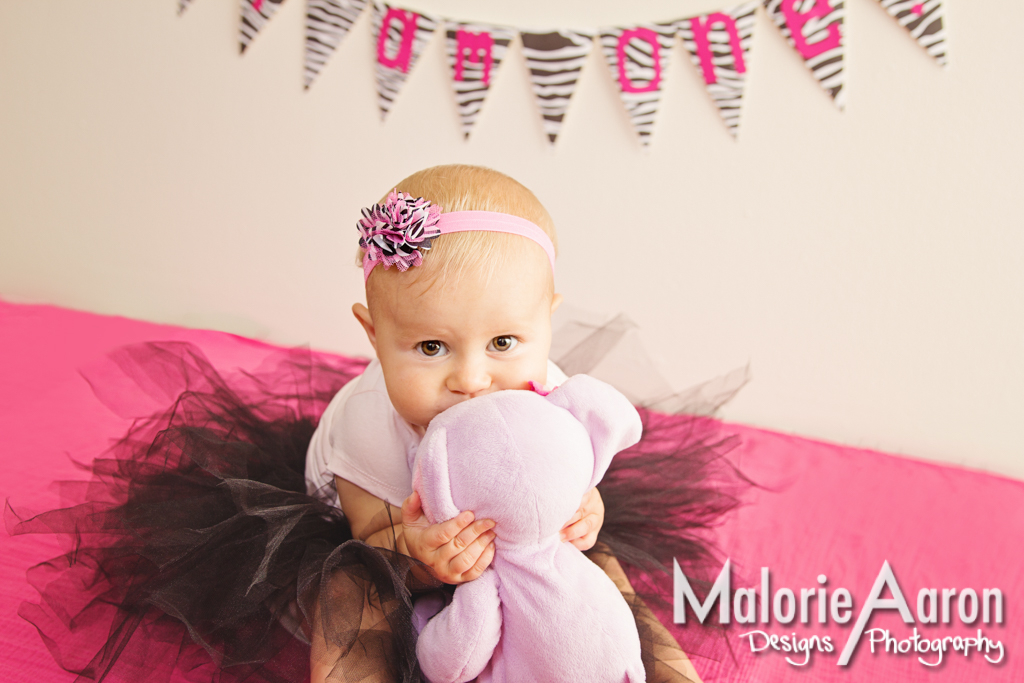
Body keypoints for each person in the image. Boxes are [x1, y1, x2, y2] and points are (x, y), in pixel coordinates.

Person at [7, 164, 741, 683]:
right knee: (352, 600)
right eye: (429, 346)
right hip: (376, 534)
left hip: (514, 543)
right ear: (372, 334)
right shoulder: (369, 423)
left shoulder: (545, 390)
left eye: (504, 342)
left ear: (545, 323)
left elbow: (572, 476)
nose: (471, 377)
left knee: (600, 566)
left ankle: (656, 669)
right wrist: (422, 552)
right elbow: (371, 536)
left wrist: (586, 509)